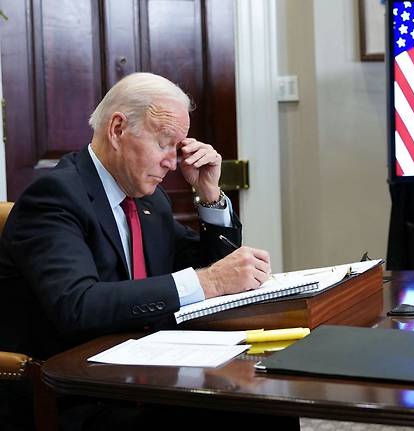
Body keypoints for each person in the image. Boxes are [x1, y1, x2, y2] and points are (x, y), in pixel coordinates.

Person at [0, 73, 271, 429]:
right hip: (73, 393)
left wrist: (210, 195)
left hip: (141, 372)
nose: (172, 164)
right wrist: (208, 282)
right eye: (164, 143)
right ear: (117, 129)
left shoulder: (148, 201)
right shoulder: (55, 197)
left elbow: (209, 269)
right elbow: (78, 305)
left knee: (262, 405)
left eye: (177, 149)